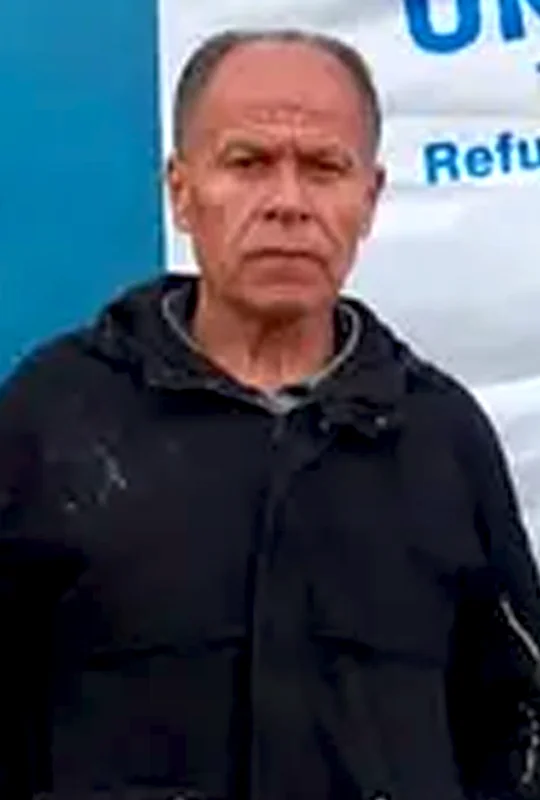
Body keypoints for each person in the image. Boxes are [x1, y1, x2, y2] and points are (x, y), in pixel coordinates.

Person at [1, 28, 540, 800]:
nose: (288, 203)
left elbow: (515, 712)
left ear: (369, 199)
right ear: (181, 190)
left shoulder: (441, 437)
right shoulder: (53, 418)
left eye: (324, 168)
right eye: (248, 163)